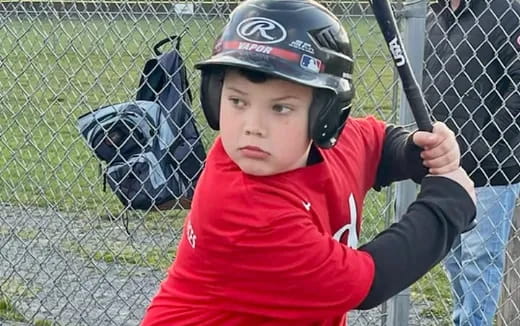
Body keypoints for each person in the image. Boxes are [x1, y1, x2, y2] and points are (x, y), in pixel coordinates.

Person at [141, 0, 476, 325]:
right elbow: (369, 282)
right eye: (237, 101)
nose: (252, 126)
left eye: (280, 108)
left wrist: (412, 152)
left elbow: (377, 143)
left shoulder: (329, 144)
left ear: (325, 118)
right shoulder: (240, 208)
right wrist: (447, 205)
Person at [423, 0, 520, 324]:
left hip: (493, 168)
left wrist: (491, 142)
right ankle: (462, 318)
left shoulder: (508, 11)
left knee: (480, 261)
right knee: (454, 257)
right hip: (445, 164)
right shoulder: (433, 16)